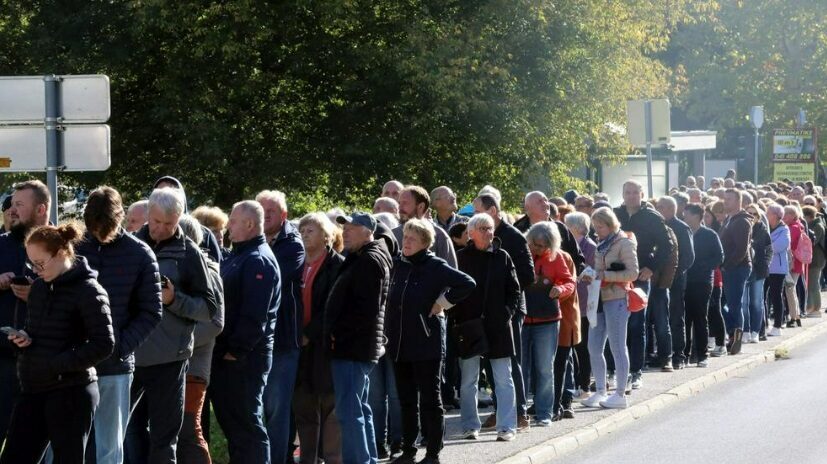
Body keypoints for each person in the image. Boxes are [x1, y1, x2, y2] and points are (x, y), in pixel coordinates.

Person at [0, 223, 115, 464]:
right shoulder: (40, 287)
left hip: (71, 390)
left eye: (41, 263)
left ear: (62, 253)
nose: (37, 270)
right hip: (34, 387)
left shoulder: (90, 291)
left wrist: (57, 364)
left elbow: (104, 344)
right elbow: (36, 331)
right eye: (32, 264)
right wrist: (22, 339)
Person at [130, 188, 220, 464]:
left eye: (169, 224)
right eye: (156, 222)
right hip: (131, 353)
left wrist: (173, 299)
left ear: (179, 219)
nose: (161, 229)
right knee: (126, 432)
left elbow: (209, 309)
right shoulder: (130, 246)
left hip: (171, 359)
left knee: (165, 438)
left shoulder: (190, 254)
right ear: (147, 215)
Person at [76, 187, 163, 464]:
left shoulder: (140, 253)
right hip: (72, 362)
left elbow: (151, 311)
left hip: (115, 364)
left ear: (120, 219)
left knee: (109, 449)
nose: (101, 234)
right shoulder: (73, 248)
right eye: (95, 228)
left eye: (106, 228)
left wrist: (120, 347)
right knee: (65, 444)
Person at [385, 219, 475, 464]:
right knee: (406, 400)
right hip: (399, 343)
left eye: (413, 239)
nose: (407, 242)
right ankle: (408, 450)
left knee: (429, 399)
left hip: (426, 344)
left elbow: (467, 283)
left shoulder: (435, 265)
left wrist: (442, 303)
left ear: (425, 242)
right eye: (405, 238)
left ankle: (433, 452)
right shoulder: (397, 264)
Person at [211, 201, 280, 464]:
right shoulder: (240, 256)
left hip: (243, 360)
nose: (228, 226)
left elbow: (254, 316)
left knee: (247, 425)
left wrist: (234, 352)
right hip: (231, 357)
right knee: (235, 426)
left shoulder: (258, 260)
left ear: (249, 224)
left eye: (233, 220)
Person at [325, 212, 392, 464]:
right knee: (359, 408)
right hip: (357, 347)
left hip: (353, 348)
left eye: (352, 227)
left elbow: (366, 311)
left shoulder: (369, 260)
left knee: (349, 411)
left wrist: (336, 334)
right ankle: (367, 459)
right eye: (345, 227)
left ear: (368, 232)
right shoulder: (362, 257)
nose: (345, 231)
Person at [454, 213, 521, 442]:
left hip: (499, 327)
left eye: (490, 228)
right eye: (482, 228)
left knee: (503, 379)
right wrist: (459, 320)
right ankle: (470, 425)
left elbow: (514, 291)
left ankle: (507, 426)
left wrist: (506, 314)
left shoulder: (502, 257)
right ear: (471, 233)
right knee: (468, 380)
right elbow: (453, 291)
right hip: (469, 326)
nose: (488, 232)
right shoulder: (460, 258)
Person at [473, 194, 533, 430]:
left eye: (479, 212)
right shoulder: (478, 238)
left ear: (493, 211)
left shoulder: (513, 236)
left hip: (510, 310)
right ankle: (500, 409)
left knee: (510, 360)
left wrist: (505, 297)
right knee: (489, 360)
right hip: (486, 312)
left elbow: (528, 275)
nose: (474, 218)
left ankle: (519, 413)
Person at [256, 190, 305, 464]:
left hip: (284, 339)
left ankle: (277, 459)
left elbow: (267, 282)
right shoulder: (253, 241)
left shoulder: (292, 245)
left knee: (276, 408)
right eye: (260, 211)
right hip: (257, 338)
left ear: (283, 215)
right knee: (259, 407)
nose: (264, 217)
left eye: (270, 212)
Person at [0, 180, 49, 446]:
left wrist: (37, 294)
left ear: (41, 209)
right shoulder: (2, 244)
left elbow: (82, 299)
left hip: (48, 364)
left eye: (19, 204)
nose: (12, 210)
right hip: (3, 361)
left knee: (37, 444)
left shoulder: (63, 247)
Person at [293, 213, 345, 464]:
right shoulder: (296, 263)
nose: (304, 234)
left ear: (327, 235)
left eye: (310, 230)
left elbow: (334, 308)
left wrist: (308, 334)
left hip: (325, 346)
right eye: (301, 230)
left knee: (329, 408)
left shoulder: (337, 265)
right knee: (303, 406)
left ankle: (333, 459)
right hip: (299, 347)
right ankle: (308, 459)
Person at [614, 180, 673, 389]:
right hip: (616, 276)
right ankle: (616, 370)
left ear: (642, 194)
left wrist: (651, 267)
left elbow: (667, 246)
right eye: (627, 192)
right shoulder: (615, 215)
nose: (631, 196)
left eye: (634, 193)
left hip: (640, 276)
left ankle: (636, 370)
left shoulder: (652, 217)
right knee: (616, 324)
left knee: (638, 322)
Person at [176, 215, 224, 464]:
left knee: (189, 429)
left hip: (193, 367)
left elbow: (215, 323)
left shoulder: (208, 271)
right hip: (170, 365)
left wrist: (179, 341)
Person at [580, 207, 638, 409]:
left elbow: (633, 273)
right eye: (595, 227)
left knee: (617, 346)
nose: (597, 230)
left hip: (618, 298)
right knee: (593, 347)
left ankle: (620, 394)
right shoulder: (601, 244)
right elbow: (599, 270)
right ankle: (601, 391)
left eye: (601, 226)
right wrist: (591, 274)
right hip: (599, 299)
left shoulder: (624, 242)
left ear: (611, 224)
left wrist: (605, 276)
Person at [524, 222, 577, 424]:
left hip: (547, 319)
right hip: (523, 317)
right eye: (534, 244)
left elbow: (569, 282)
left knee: (545, 368)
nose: (537, 248)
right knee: (521, 367)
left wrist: (560, 290)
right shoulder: (522, 253)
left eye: (542, 246)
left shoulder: (558, 257)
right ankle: (520, 411)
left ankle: (545, 412)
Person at [683, 204, 724, 367]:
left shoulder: (709, 234)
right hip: (684, 281)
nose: (684, 217)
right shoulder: (683, 232)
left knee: (700, 318)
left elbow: (719, 257)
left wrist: (701, 266)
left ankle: (702, 355)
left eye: (686, 214)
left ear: (696, 216)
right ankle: (684, 355)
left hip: (703, 282)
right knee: (684, 319)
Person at [657, 196, 694, 370]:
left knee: (676, 318)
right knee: (660, 318)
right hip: (657, 280)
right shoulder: (656, 226)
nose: (658, 209)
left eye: (661, 207)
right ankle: (661, 353)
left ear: (671, 209)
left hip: (676, 281)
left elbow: (688, 257)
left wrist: (671, 274)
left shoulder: (681, 228)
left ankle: (679, 354)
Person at [564, 212, 596, 400]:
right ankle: (577, 383)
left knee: (583, 346)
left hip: (584, 302)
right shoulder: (571, 245)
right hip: (573, 300)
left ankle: (584, 385)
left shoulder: (589, 246)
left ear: (577, 228)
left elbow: (590, 274)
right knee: (574, 345)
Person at [152, 177, 222, 263]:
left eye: (171, 194)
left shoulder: (205, 234)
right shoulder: (146, 231)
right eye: (159, 194)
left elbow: (215, 269)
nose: (165, 199)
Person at [719, 189, 753, 355]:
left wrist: (727, 265)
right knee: (721, 303)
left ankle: (735, 336)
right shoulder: (729, 219)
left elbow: (741, 250)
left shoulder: (742, 221)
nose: (726, 202)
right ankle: (733, 332)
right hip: (728, 267)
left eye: (729, 199)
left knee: (734, 304)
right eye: (725, 199)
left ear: (739, 201)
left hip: (737, 268)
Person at [393, 186, 457, 267]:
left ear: (421, 207)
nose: (399, 208)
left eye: (405, 203)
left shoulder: (439, 236)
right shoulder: (393, 235)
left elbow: (451, 276)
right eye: (399, 203)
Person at [742, 204, 771, 343]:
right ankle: (745, 330)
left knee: (756, 302)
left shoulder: (763, 230)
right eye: (749, 213)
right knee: (744, 303)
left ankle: (755, 331)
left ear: (759, 217)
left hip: (759, 271)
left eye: (754, 214)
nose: (751, 216)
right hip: (743, 270)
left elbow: (769, 250)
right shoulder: (741, 228)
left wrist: (766, 263)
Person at [766, 204, 791, 336]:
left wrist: (766, 249)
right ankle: (765, 324)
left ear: (775, 215)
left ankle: (777, 325)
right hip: (766, 268)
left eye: (768, 213)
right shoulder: (767, 227)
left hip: (777, 268)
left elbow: (781, 245)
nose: (766, 215)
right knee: (765, 296)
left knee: (776, 296)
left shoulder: (784, 229)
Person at [782, 205, 804, 327]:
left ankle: (794, 317)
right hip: (795, 262)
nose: (783, 216)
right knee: (791, 289)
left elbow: (788, 245)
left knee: (789, 289)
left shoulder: (793, 228)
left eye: (786, 214)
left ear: (792, 215)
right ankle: (796, 315)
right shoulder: (798, 225)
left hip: (792, 263)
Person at [803, 205, 825, 317]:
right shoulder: (816, 224)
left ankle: (815, 308)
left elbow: (812, 242)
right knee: (812, 283)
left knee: (813, 284)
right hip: (815, 259)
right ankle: (812, 307)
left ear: (808, 216)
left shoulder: (817, 226)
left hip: (816, 260)